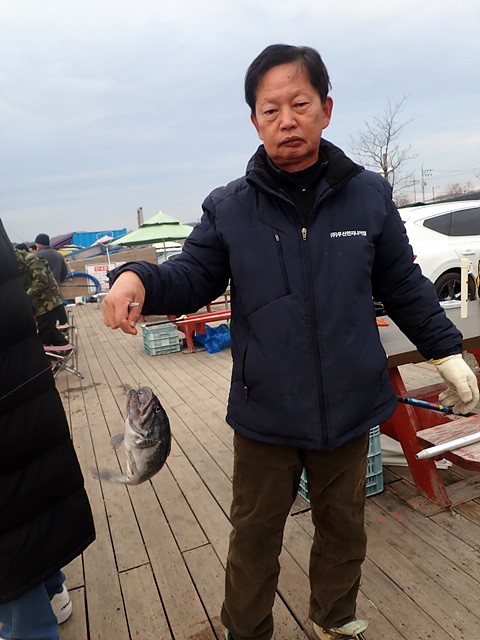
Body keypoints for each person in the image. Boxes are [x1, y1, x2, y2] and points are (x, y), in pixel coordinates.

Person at [101, 44, 479, 640]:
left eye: (299, 104)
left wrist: (446, 351)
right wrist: (139, 277)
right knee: (254, 535)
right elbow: (191, 276)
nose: (286, 121)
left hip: (351, 402)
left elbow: (404, 284)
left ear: (326, 109)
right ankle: (246, 629)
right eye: (270, 109)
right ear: (254, 121)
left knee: (344, 527)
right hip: (266, 411)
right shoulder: (229, 207)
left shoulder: (369, 195)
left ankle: (335, 615)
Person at [0, 220, 96, 640]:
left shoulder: (34, 258)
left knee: (9, 533)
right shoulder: (27, 257)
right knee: (27, 502)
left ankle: (31, 622)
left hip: (33, 334)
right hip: (27, 365)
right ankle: (54, 590)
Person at [15, 248, 70, 346]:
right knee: (49, 330)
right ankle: (65, 348)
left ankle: (61, 349)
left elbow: (41, 281)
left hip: (48, 302)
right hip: (38, 305)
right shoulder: (17, 264)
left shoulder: (33, 260)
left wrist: (24, 298)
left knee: (45, 334)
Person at [35, 233, 69, 324]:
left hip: (43, 292)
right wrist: (58, 281)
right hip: (56, 289)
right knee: (60, 311)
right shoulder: (58, 254)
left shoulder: (37, 256)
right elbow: (65, 271)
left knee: (46, 318)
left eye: (36, 243)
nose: (36, 245)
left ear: (40, 243)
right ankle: (64, 326)